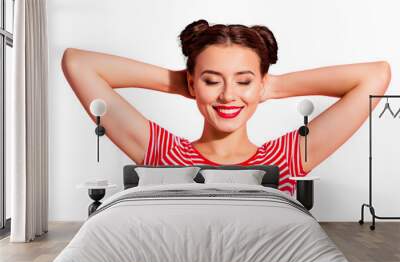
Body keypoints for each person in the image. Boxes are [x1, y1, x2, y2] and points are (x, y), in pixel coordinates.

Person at [61, 19, 391, 196]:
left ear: (261, 83)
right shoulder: (162, 154)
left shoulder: (289, 157)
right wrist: (184, 82)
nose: (228, 95)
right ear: (193, 84)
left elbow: (376, 75)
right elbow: (78, 63)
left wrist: (270, 86)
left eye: (243, 81)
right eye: (212, 80)